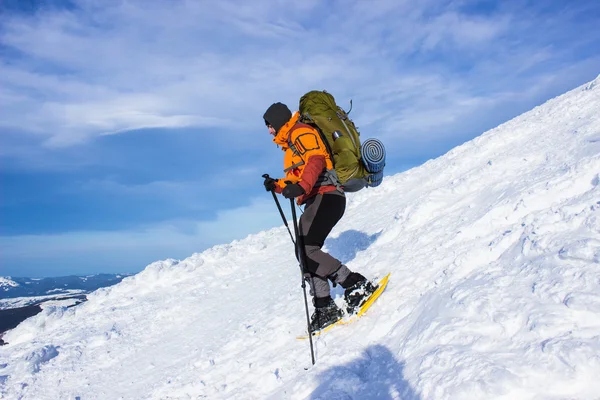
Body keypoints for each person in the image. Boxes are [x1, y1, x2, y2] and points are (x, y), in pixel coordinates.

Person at [262, 102, 376, 331]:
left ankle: (355, 284)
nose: (269, 131)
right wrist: (277, 185)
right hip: (316, 199)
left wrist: (302, 187)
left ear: (278, 121)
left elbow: (315, 160)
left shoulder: (300, 132)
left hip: (327, 195)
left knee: (307, 250)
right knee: (303, 251)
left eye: (269, 125)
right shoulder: (290, 145)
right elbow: (298, 177)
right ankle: (324, 306)